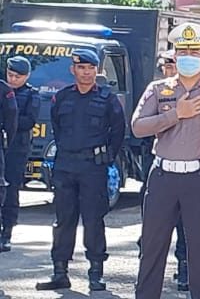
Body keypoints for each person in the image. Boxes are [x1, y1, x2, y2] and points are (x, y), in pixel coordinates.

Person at [133, 22, 200, 299]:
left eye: (194, 51)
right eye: (182, 51)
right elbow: (137, 126)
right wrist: (176, 114)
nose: (188, 57)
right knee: (152, 247)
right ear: (174, 55)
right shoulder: (158, 89)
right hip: (163, 177)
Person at [33, 49, 125, 291]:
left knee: (94, 220)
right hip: (65, 166)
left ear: (97, 70)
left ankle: (95, 273)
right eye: (81, 68)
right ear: (73, 70)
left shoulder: (107, 98)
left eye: (91, 68)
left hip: (93, 168)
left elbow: (118, 132)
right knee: (64, 220)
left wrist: (105, 159)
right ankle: (60, 272)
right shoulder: (62, 98)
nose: (86, 72)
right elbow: (57, 126)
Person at [2, 56, 37, 252]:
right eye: (10, 75)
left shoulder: (31, 95)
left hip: (16, 148)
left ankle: (6, 232)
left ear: (26, 76)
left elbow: (29, 121)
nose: (13, 79)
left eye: (18, 76)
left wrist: (9, 120)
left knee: (10, 188)